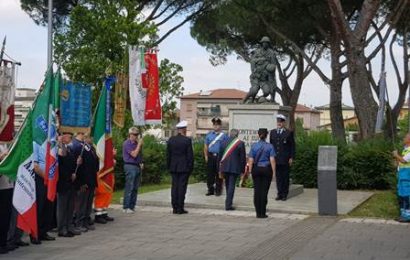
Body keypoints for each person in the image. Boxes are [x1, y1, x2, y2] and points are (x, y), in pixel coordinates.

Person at [167, 120, 194, 214]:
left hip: (173, 167)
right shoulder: (187, 140)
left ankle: (174, 207)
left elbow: (168, 155)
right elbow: (190, 156)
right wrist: (190, 168)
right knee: (182, 188)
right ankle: (180, 208)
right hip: (184, 167)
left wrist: (169, 166)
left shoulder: (171, 140)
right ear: (183, 129)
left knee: (174, 187)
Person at [249, 128, 276, 218]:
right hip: (266, 169)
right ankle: (262, 213)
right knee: (264, 192)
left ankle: (257, 212)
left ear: (258, 134)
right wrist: (274, 172)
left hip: (256, 169)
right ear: (267, 135)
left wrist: (249, 171)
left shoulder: (254, 146)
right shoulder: (270, 146)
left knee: (257, 191)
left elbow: (251, 160)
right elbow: (272, 160)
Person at [32, 140, 56, 244]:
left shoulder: (51, 143)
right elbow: (35, 166)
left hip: (51, 180)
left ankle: (43, 232)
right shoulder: (35, 143)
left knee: (48, 206)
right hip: (40, 179)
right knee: (39, 207)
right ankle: (35, 234)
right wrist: (46, 178)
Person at [56, 132, 79, 237]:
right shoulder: (58, 148)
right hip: (62, 182)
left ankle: (69, 226)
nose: (70, 138)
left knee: (70, 207)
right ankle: (62, 228)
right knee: (62, 207)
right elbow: (62, 157)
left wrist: (77, 164)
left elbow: (71, 163)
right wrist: (60, 143)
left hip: (71, 181)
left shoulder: (69, 149)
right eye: (68, 136)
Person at [218, 129, 246, 211]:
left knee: (227, 186)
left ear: (230, 134)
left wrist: (219, 169)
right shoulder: (240, 143)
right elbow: (242, 159)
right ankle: (228, 205)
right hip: (234, 168)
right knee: (231, 186)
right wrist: (242, 171)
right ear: (237, 135)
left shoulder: (223, 142)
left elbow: (219, 157)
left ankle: (228, 202)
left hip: (224, 167)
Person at [269, 114, 295, 201]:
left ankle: (284, 194)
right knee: (278, 177)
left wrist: (291, 157)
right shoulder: (272, 132)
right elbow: (271, 146)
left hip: (285, 159)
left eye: (281, 122)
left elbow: (292, 146)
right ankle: (279, 193)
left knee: (285, 177)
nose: (279, 123)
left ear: (284, 123)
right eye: (278, 121)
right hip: (276, 159)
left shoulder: (288, 132)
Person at [204, 117, 228, 196]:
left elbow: (226, 147)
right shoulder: (209, 135)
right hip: (211, 156)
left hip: (219, 156)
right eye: (214, 125)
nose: (215, 126)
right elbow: (206, 146)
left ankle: (218, 190)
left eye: (217, 125)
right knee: (210, 174)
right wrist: (206, 156)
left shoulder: (224, 136)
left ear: (220, 126)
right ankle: (210, 189)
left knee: (219, 174)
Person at [122, 127, 143, 214]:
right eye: (134, 134)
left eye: (137, 134)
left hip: (137, 166)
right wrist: (139, 145)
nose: (136, 136)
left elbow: (140, 154)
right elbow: (134, 154)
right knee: (129, 187)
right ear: (130, 134)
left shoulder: (137, 143)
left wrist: (142, 162)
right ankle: (126, 207)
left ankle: (132, 206)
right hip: (130, 166)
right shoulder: (127, 143)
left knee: (135, 188)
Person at [393, 133, 410, 223]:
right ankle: (403, 215)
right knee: (402, 195)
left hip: (407, 177)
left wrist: (396, 155)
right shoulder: (405, 150)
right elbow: (400, 162)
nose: (404, 138)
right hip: (402, 176)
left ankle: (408, 216)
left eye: (405, 137)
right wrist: (396, 158)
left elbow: (404, 160)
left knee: (407, 196)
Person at [0, 144, 14, 254]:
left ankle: (4, 242)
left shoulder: (6, 145)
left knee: (6, 216)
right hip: (1, 187)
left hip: (8, 185)